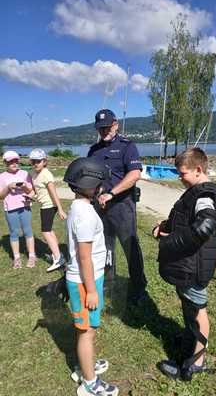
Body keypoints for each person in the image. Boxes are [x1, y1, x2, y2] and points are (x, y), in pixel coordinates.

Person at [153, 148, 216, 381]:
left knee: (197, 312)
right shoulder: (196, 191)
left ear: (198, 170)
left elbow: (205, 226)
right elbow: (186, 220)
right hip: (189, 265)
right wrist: (165, 226)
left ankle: (195, 364)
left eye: (182, 173)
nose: (179, 177)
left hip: (194, 267)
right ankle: (190, 342)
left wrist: (169, 242)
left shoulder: (204, 196)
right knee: (191, 309)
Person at [63, 157, 119, 396]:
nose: (101, 188)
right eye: (98, 185)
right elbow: (84, 257)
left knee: (85, 328)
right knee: (87, 332)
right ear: (87, 185)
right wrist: (93, 291)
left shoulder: (80, 207)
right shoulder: (85, 215)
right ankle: (89, 383)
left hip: (86, 279)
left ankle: (85, 365)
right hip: (86, 282)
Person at [87, 109, 147, 305]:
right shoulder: (93, 151)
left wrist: (112, 193)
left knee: (130, 247)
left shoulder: (127, 147)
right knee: (105, 248)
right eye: (100, 128)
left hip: (122, 205)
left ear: (115, 124)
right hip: (100, 207)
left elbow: (135, 174)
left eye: (106, 127)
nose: (103, 131)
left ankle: (139, 287)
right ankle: (109, 283)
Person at [29, 148, 67, 272]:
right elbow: (36, 190)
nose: (35, 164)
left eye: (38, 161)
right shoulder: (33, 173)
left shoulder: (46, 174)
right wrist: (31, 196)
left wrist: (60, 209)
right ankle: (58, 254)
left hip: (49, 205)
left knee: (45, 232)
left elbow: (53, 193)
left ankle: (58, 259)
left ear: (44, 161)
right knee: (49, 230)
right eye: (33, 161)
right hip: (44, 205)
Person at [0, 150, 36, 268]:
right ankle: (17, 258)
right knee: (14, 232)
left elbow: (31, 192)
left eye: (16, 161)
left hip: (24, 206)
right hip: (10, 209)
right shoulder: (2, 177)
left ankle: (31, 255)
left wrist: (25, 186)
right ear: (5, 162)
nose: (14, 163)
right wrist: (8, 187)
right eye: (11, 161)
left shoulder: (25, 174)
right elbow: (1, 196)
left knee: (27, 231)